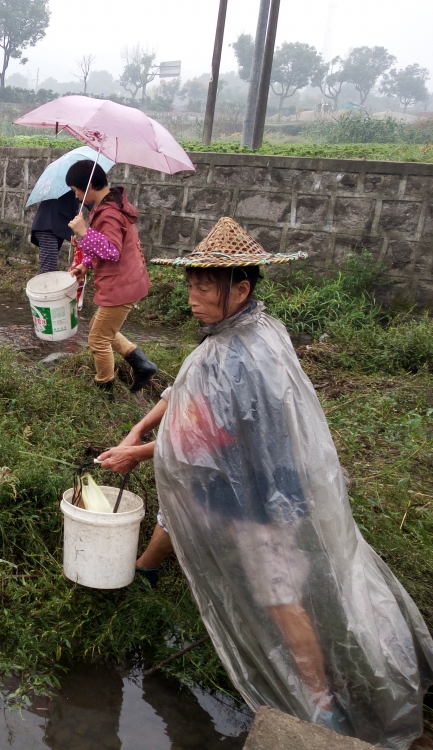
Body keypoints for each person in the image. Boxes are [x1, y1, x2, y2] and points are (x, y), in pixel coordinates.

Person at [98, 217, 433, 748]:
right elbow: (185, 389)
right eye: (191, 282)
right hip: (261, 483)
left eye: (207, 285)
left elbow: (203, 444)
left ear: (242, 288)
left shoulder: (231, 355)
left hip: (263, 498)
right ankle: (147, 571)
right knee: (180, 505)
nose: (194, 294)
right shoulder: (252, 331)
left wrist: (136, 453)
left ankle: (319, 707)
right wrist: (142, 424)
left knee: (279, 596)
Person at [65, 160, 158, 397]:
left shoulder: (110, 213)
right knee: (103, 329)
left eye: (76, 190)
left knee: (97, 340)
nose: (76, 197)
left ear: (88, 186)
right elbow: (102, 247)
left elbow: (112, 251)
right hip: (123, 282)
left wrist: (84, 232)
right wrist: (85, 265)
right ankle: (141, 364)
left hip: (121, 285)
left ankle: (105, 391)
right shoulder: (107, 206)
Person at [30, 190, 80, 274]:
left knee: (49, 269)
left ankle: (46, 285)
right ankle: (43, 286)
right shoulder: (69, 183)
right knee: (48, 270)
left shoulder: (65, 185)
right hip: (48, 227)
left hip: (50, 226)